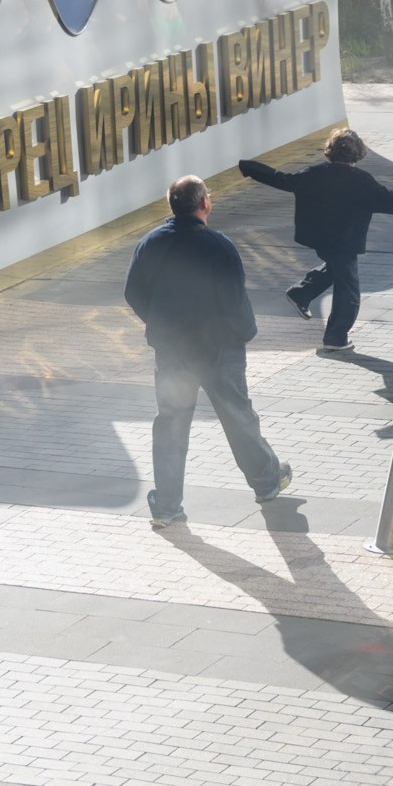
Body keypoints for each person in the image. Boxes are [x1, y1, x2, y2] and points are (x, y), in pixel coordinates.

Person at [123, 175, 292, 529]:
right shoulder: (219, 246)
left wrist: (158, 321)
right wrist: (247, 332)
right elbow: (235, 299)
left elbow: (133, 292)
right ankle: (266, 482)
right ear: (204, 203)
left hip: (171, 351)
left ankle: (167, 506)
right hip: (218, 350)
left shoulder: (150, 243)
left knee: (171, 424)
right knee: (237, 416)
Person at [236, 128, 393, 355]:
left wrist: (249, 167)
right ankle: (335, 337)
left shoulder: (315, 173)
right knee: (348, 288)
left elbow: (283, 180)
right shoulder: (362, 181)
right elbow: (390, 199)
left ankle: (301, 293)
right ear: (358, 154)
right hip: (344, 242)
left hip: (319, 238)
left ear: (330, 150)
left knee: (336, 270)